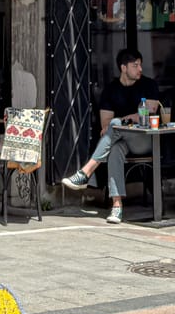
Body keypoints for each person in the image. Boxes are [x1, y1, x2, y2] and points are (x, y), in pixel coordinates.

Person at [58, 48, 161, 223]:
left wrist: (123, 119)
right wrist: (124, 121)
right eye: (135, 65)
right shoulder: (111, 90)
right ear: (123, 67)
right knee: (114, 149)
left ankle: (86, 171)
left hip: (144, 139)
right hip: (121, 141)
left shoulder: (148, 85)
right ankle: (117, 206)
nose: (140, 69)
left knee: (116, 124)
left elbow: (148, 114)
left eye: (140, 65)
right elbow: (105, 125)